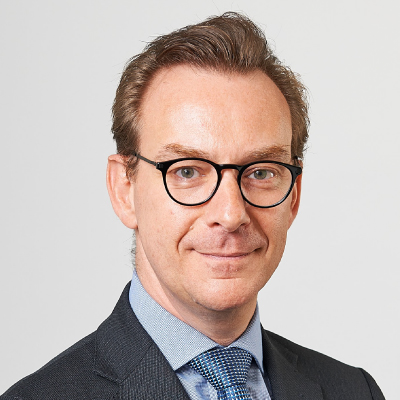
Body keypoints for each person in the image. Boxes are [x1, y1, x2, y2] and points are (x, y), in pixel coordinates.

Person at [1, 12, 385, 400]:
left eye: (261, 172)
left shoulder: (355, 391)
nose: (231, 214)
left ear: (294, 195)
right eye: (187, 171)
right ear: (124, 189)